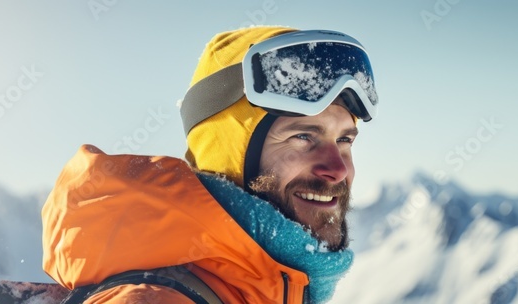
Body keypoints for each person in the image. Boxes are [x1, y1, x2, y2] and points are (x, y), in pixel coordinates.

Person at [40, 26, 379, 303]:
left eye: (345, 140)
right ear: (230, 153)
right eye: (303, 137)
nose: (337, 169)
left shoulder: (269, 286)